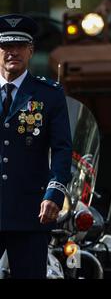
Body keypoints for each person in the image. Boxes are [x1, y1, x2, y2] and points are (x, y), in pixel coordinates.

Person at [0, 14, 72, 278]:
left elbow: (63, 149)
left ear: (31, 51)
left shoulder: (49, 95)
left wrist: (55, 193)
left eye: (20, 46)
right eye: (6, 46)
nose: (13, 53)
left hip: (31, 212)